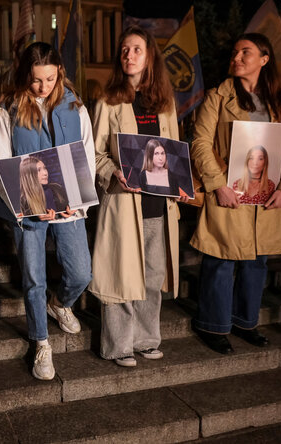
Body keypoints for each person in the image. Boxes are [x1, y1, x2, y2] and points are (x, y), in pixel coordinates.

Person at [189, 33, 281, 355]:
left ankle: (244, 322)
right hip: (229, 193)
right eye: (234, 51)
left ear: (264, 59)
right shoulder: (217, 97)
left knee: (256, 262)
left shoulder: (278, 99)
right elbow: (200, 143)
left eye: (245, 52)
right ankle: (213, 325)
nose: (236, 57)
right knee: (220, 261)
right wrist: (218, 185)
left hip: (265, 196)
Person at [0, 41, 94, 380]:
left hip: (68, 205)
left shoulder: (75, 105)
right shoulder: (7, 108)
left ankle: (60, 303)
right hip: (27, 207)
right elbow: (1, 164)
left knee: (81, 273)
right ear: (26, 75)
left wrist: (76, 201)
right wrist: (27, 205)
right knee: (33, 277)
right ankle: (41, 342)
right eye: (37, 80)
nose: (44, 87)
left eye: (50, 79)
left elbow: (87, 156)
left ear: (59, 73)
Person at [89, 25, 184, 367]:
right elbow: (95, 152)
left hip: (158, 206)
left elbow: (173, 153)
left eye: (137, 50)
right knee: (120, 273)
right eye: (125, 50)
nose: (129, 55)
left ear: (150, 56)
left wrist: (181, 180)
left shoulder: (164, 103)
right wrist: (110, 171)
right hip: (123, 203)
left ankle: (146, 339)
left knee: (153, 275)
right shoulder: (108, 99)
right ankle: (119, 345)